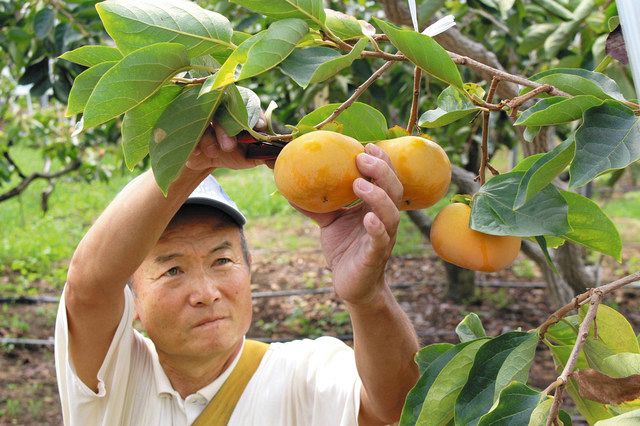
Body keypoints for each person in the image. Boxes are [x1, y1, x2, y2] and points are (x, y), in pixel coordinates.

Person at [54, 123, 420, 425]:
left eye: (222, 261)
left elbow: (397, 407)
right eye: (173, 270)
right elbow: (89, 286)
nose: (206, 292)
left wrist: (368, 296)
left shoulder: (301, 375)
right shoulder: (114, 379)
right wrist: (195, 161)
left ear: (249, 270)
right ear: (132, 298)